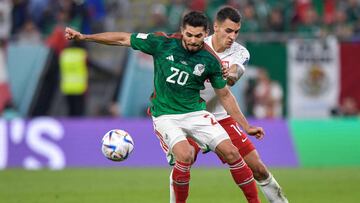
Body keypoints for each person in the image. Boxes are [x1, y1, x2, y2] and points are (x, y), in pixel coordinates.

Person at [65, 10, 264, 203]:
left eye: (198, 36)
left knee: (232, 152)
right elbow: (123, 38)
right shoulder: (162, 43)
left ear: (206, 34)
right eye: (188, 35)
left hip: (195, 113)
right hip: (166, 115)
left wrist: (246, 126)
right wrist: (84, 37)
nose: (193, 40)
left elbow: (225, 96)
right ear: (181, 30)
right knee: (185, 156)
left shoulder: (210, 60)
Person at [174, 6, 288, 203]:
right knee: (184, 161)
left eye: (236, 31)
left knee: (258, 167)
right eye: (228, 30)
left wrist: (229, 74)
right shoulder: (197, 43)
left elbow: (235, 73)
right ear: (216, 27)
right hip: (190, 115)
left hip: (220, 116)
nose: (233, 36)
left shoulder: (240, 52)